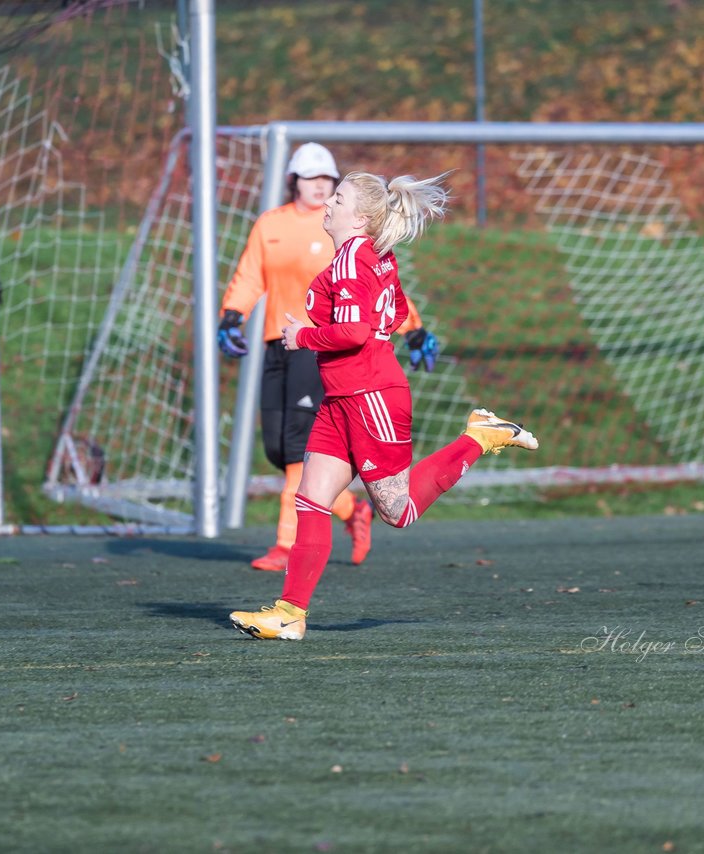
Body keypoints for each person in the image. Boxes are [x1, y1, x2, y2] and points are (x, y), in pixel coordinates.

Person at [229, 170, 538, 640]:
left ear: (360, 217)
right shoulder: (369, 256)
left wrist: (302, 336)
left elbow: (354, 332)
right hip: (341, 397)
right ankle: (290, 614)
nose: (328, 204)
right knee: (310, 500)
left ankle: (480, 436)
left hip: (372, 398)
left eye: (339, 197)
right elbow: (390, 315)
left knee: (400, 511)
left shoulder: (355, 260)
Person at [218, 143, 440, 572]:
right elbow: (250, 274)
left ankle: (286, 544)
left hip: (319, 347)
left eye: (328, 180)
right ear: (293, 181)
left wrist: (413, 328)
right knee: (278, 448)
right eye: (311, 178)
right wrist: (232, 315)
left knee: (299, 450)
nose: (321, 187)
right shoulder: (272, 224)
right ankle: (351, 509)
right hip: (278, 344)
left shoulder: (348, 234)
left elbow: (375, 293)